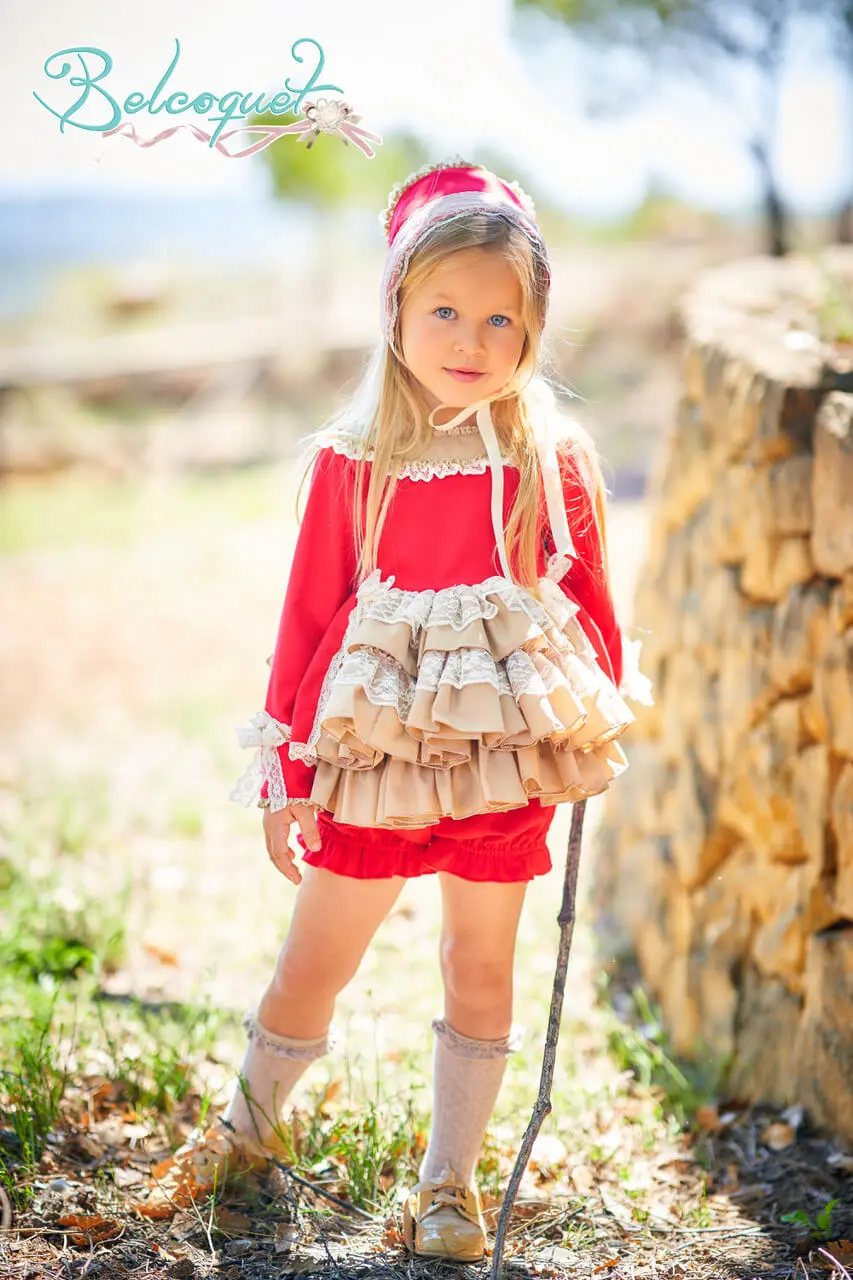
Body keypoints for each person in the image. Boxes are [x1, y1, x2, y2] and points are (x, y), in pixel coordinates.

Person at [155, 158, 650, 1262]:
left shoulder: (550, 458)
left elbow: (592, 613)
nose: (468, 336)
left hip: (502, 761)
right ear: (392, 309)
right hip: (374, 754)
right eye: (442, 308)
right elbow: (306, 618)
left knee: (480, 967)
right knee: (312, 959)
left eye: (497, 316)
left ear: (532, 330)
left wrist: (580, 747)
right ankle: (246, 1129)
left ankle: (450, 1184)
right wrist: (285, 772)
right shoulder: (354, 462)